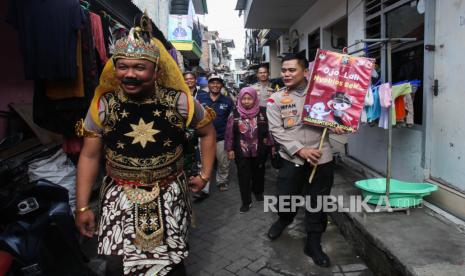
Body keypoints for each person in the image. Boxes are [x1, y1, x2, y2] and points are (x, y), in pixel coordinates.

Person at [74, 15, 216, 276]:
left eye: (139, 67)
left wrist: (205, 174)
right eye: (123, 66)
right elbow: (90, 156)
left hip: (169, 192)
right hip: (120, 195)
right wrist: (82, 206)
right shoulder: (103, 106)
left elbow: (207, 133)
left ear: (156, 70)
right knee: (119, 266)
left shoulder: (181, 102)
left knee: (171, 264)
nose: (129, 74)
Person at [266, 53, 344, 267]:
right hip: (291, 159)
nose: (286, 74)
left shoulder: (323, 94)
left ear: (306, 72)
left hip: (322, 157)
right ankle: (284, 218)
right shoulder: (276, 99)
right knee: (285, 197)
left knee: (317, 203)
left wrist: (338, 125)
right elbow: (276, 131)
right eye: (284, 70)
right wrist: (300, 150)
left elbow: (337, 117)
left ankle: (313, 242)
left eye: (292, 70)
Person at [224, 87, 273, 213]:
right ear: (240, 99)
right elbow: (229, 134)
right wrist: (229, 149)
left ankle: (258, 192)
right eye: (244, 99)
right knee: (243, 176)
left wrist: (272, 146)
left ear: (254, 99)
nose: (246, 101)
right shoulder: (234, 114)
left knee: (259, 173)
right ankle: (246, 201)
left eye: (249, 98)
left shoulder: (263, 112)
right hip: (241, 152)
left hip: (259, 150)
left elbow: (269, 131)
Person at [196, 75, 234, 198]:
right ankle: (204, 186)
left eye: (218, 83)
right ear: (209, 85)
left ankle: (222, 181)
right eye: (212, 83)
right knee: (203, 163)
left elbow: (231, 120)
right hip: (203, 137)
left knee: (223, 162)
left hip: (221, 137)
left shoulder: (227, 100)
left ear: (221, 85)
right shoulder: (201, 98)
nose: (215, 85)